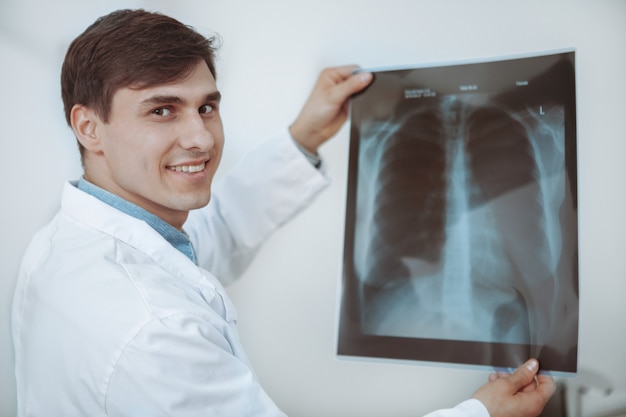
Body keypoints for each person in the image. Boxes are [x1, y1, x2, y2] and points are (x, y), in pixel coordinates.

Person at [11, 8, 555, 417]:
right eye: (162, 110)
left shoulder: (68, 242)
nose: (200, 137)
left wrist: (304, 137)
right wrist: (481, 414)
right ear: (88, 126)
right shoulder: (153, 331)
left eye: (207, 106)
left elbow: (214, 234)